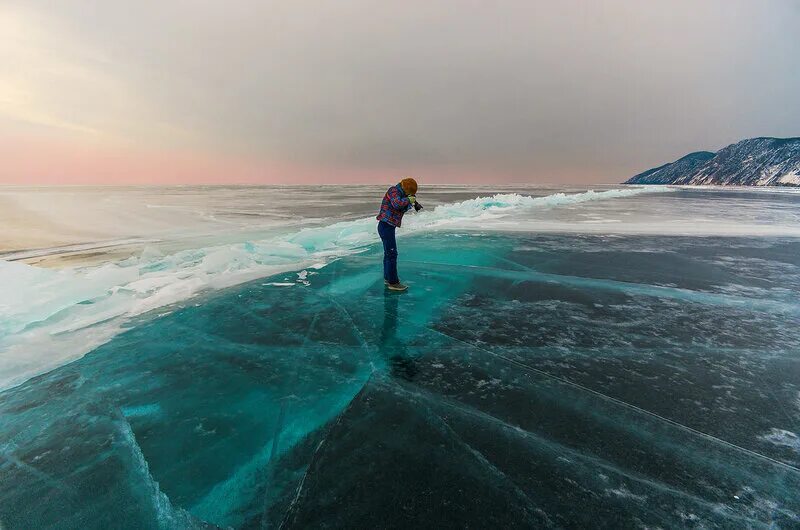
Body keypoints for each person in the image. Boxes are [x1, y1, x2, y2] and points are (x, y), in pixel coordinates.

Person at [376, 177, 419, 291]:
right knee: (392, 254)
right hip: (385, 226)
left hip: (389, 226)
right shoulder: (393, 191)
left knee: (388, 254)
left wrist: (411, 203)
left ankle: (387, 277)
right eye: (409, 193)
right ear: (406, 188)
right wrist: (408, 200)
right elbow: (397, 204)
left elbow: (401, 209)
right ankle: (393, 283)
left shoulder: (401, 195)